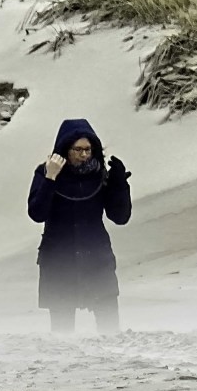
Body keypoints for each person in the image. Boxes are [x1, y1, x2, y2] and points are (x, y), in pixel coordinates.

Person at [27, 119, 132, 334]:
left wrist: (120, 184)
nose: (84, 155)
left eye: (88, 149)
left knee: (110, 329)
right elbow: (37, 213)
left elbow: (120, 216)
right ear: (65, 150)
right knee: (63, 334)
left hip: (97, 260)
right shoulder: (45, 172)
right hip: (58, 262)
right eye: (78, 149)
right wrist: (50, 178)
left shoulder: (100, 175)